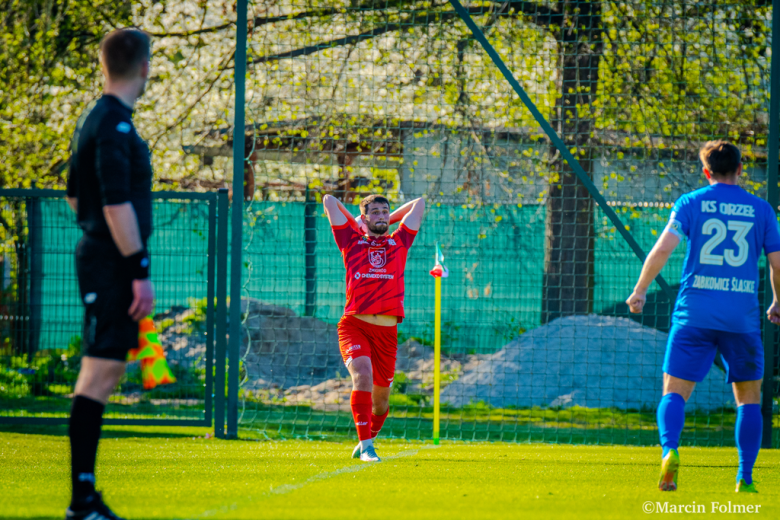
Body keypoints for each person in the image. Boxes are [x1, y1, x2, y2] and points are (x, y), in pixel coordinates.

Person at [626, 141, 780, 493]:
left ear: (706, 172)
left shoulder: (691, 203)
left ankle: (670, 452)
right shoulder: (761, 209)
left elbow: (664, 247)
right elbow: (777, 264)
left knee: (674, 392)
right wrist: (777, 301)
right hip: (740, 320)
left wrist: (640, 290)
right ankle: (744, 476)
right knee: (749, 399)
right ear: (741, 169)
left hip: (693, 315)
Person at [64, 28, 155, 520]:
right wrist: (137, 268)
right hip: (111, 262)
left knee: (108, 369)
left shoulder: (95, 120)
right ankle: (82, 499)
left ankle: (85, 496)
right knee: (99, 372)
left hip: (102, 255)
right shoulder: (113, 124)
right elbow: (114, 202)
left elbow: (76, 196)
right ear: (142, 67)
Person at [323, 193, 425, 462]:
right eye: (375, 212)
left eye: (385, 211)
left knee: (380, 404)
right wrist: (356, 222)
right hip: (355, 325)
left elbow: (420, 203)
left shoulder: (399, 241)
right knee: (363, 376)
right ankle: (367, 447)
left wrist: (387, 220)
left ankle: (367, 438)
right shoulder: (350, 240)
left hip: (387, 334)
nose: (381, 216)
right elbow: (329, 200)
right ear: (365, 216)